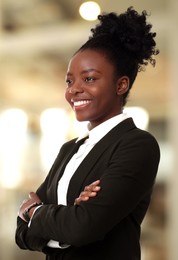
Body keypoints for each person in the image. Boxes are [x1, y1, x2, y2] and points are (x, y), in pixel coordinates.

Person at [15, 7, 160, 260]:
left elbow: (82, 227)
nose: (74, 91)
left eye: (89, 79)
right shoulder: (69, 149)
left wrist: (35, 213)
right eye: (69, 81)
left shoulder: (137, 145)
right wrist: (66, 215)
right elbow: (21, 234)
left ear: (121, 84)